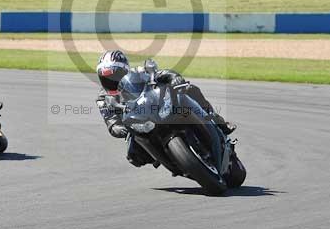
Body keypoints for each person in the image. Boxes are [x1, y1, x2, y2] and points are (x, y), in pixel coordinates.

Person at [95, 50, 235, 167]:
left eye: (116, 75)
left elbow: (160, 74)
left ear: (125, 70)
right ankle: (171, 159)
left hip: (157, 109)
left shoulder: (138, 72)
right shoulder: (103, 99)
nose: (112, 81)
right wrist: (119, 129)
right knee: (134, 156)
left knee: (190, 90)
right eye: (106, 78)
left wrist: (174, 77)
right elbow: (111, 122)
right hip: (136, 124)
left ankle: (217, 121)